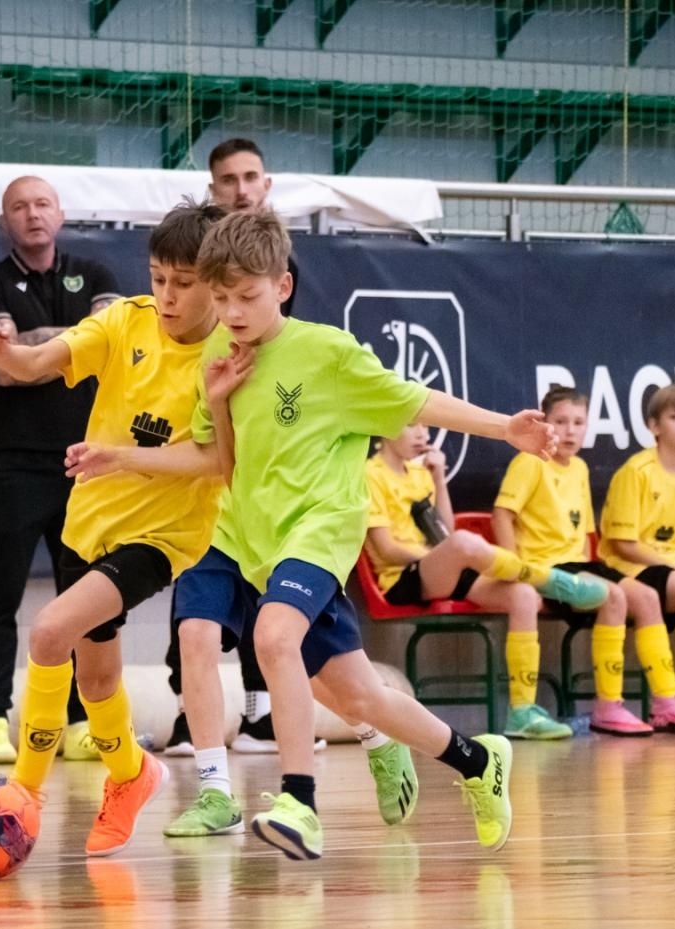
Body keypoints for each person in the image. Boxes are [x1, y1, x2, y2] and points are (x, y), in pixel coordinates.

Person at [161, 209, 594, 858]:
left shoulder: (328, 354)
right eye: (220, 299)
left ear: (282, 285)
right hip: (256, 544)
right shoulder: (220, 355)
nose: (232, 312)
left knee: (273, 638)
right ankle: (479, 760)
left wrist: (506, 427)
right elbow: (224, 460)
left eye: (246, 297)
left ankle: (299, 803)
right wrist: (218, 400)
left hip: (318, 534)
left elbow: (414, 399)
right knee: (358, 694)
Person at [0, 201, 225, 857]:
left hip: (164, 537)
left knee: (51, 629)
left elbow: (216, 460)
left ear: (217, 281)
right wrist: (3, 353)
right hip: (93, 524)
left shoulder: (228, 357)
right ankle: (134, 776)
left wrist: (123, 457)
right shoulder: (124, 319)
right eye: (158, 276)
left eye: (183, 282)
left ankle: (21, 796)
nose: (166, 295)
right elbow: (34, 366)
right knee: (97, 683)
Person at [0, 176, 121, 765]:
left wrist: (30, 346)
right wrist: (68, 343)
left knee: (82, 595)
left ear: (61, 212)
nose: (32, 215)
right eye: (19, 207)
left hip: (85, 463)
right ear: (4, 219)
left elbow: (104, 348)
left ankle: (82, 721)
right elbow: (5, 371)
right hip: (17, 463)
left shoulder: (97, 275)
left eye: (42, 204)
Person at [164, 137, 298, 756]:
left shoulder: (298, 332)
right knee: (194, 623)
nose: (241, 188)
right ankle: (201, 731)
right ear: (211, 188)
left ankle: (270, 716)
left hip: (276, 491)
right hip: (210, 471)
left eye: (251, 177)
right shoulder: (193, 264)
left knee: (299, 639)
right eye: (228, 179)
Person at [364, 419, 610, 742]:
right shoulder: (370, 474)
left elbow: (444, 532)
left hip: (441, 568)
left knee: (522, 596)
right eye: (410, 425)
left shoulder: (421, 472)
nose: (422, 433)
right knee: (464, 544)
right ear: (383, 427)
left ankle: (523, 712)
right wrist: (441, 554)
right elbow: (387, 548)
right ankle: (548, 579)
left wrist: (438, 478)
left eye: (425, 426)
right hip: (401, 578)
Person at [494, 385, 675, 737]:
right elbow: (502, 514)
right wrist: (517, 570)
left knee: (645, 596)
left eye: (578, 422)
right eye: (560, 422)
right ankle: (608, 706)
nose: (570, 430)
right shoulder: (529, 461)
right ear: (543, 425)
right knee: (613, 596)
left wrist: (586, 561)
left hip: (578, 564)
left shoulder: (580, 468)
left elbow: (583, 533)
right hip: (546, 568)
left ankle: (667, 702)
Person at [595, 385, 675, 732]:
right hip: (631, 566)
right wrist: (672, 567)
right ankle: (674, 702)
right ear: (654, 426)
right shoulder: (636, 471)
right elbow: (622, 543)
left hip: (671, 565)